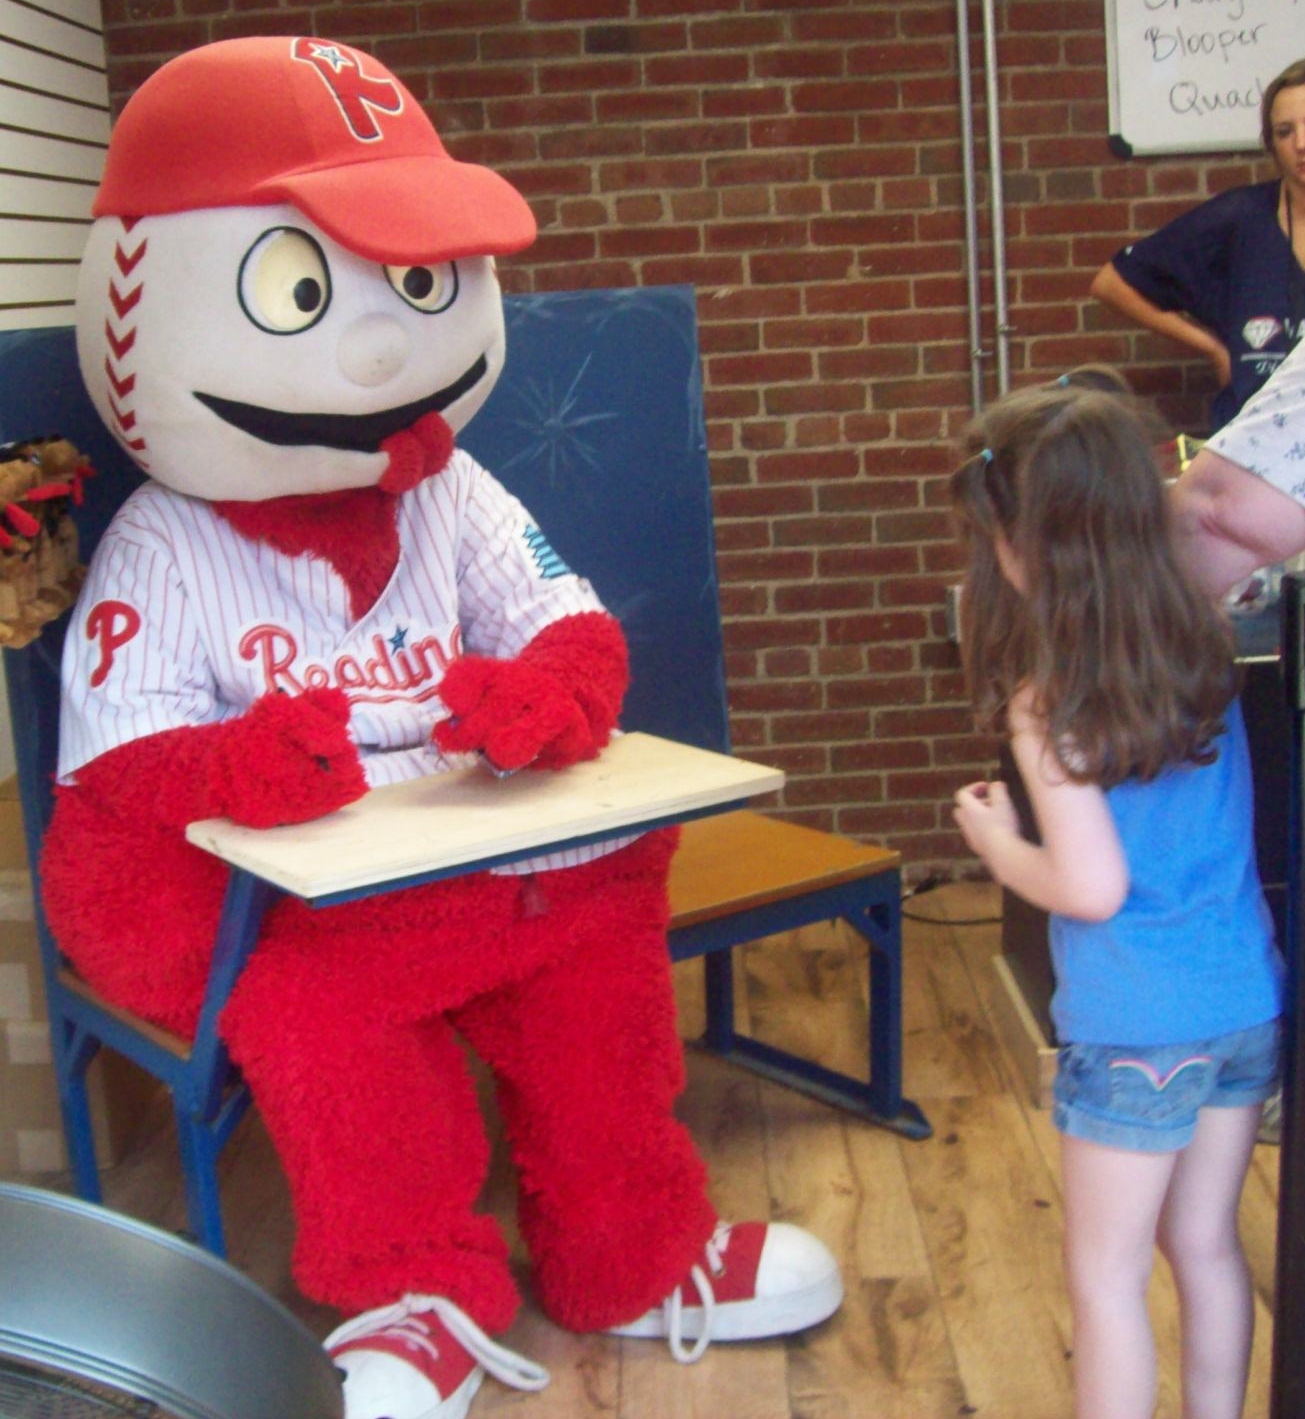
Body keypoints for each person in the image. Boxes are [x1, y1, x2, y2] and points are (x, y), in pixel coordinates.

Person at [950, 374, 1283, 1419]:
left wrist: (998, 843)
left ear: (1018, 545)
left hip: (1136, 1027)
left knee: (1105, 1280)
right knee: (1207, 1248)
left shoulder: (1046, 697)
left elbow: (1090, 887)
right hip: (1243, 1007)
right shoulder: (1202, 634)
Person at [1090, 57, 1305, 432]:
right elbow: (1111, 284)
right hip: (1254, 443)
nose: (1301, 144)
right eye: (1285, 132)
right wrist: (1213, 348)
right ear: (1270, 144)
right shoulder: (1240, 218)